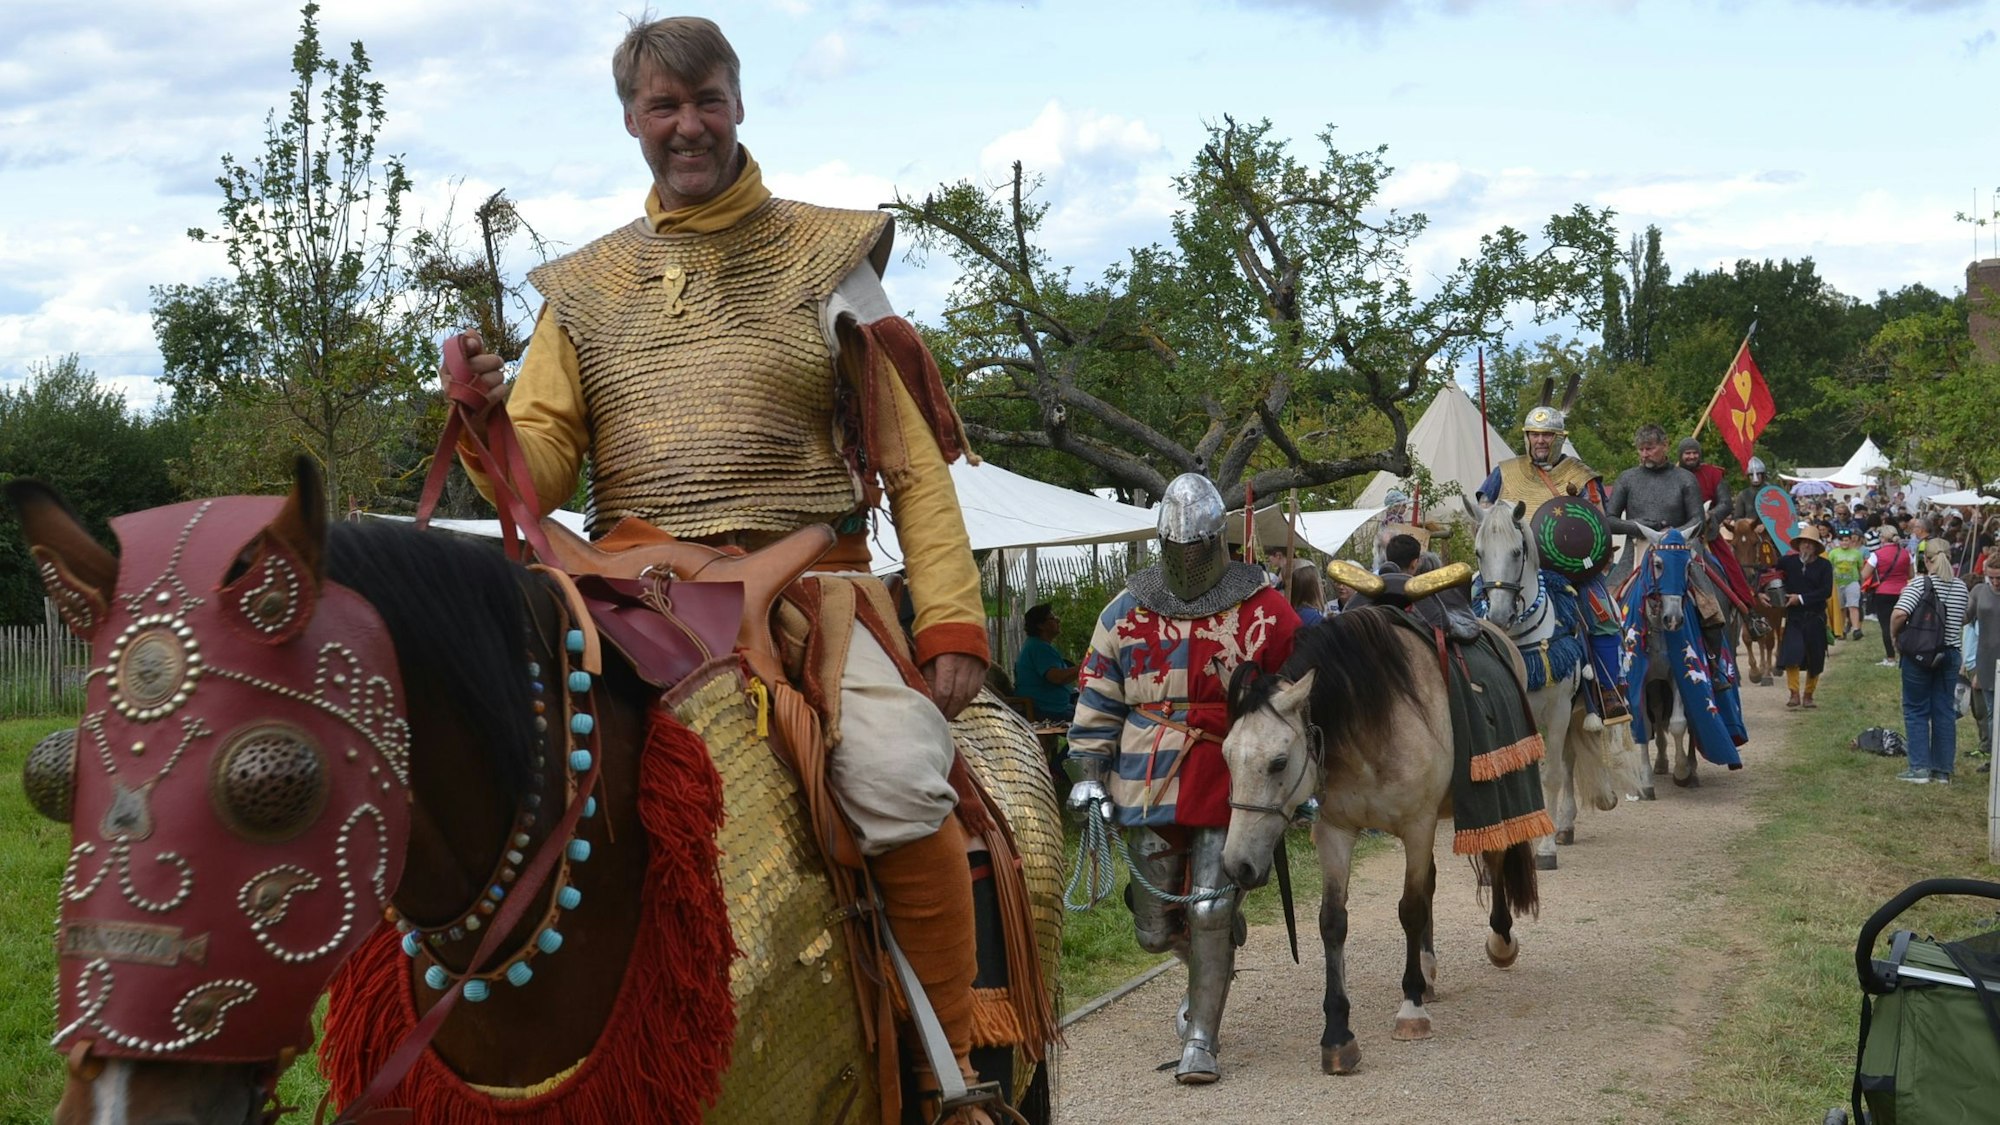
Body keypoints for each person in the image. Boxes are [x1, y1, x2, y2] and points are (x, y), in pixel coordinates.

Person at [448, 18, 1005, 1118]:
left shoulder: (828, 256)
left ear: (738, 103)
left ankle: (944, 1067)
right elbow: (541, 472)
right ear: (631, 122)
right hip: (627, 596)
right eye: (662, 107)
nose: (686, 125)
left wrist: (947, 622)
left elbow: (913, 461)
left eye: (704, 99)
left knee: (898, 785)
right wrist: (480, 418)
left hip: (805, 591)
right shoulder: (585, 286)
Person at [1065, 473, 1299, 1084]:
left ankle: (1202, 1038)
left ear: (1219, 541)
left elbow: (1299, 705)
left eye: (1198, 548)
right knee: (1152, 929)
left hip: (1229, 776)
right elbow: (1097, 698)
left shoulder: (1264, 610)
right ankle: (1206, 960)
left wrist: (1297, 781)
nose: (1189, 561)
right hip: (1145, 776)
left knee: (1208, 911)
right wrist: (1090, 771)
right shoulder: (1124, 613)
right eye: (1179, 549)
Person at [1474, 388, 1629, 725]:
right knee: (1469, 603)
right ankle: (1470, 686)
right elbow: (1484, 510)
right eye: (1534, 434)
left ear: (1559, 438)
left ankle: (1606, 692)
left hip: (1569, 569)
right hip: (1510, 566)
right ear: (1527, 438)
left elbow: (1599, 522)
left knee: (1601, 612)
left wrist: (1580, 521)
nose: (1540, 441)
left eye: (1547, 434)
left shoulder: (1580, 473)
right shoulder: (1506, 471)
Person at [1891, 541, 1970, 783]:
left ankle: (1919, 768)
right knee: (1944, 710)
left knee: (1916, 709)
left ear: (1926, 559)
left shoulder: (1919, 583)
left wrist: (1895, 636)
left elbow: (1900, 613)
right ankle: (1942, 770)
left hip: (1920, 653)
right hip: (1950, 653)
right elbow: (1963, 618)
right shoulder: (1961, 587)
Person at [1678, 437, 1756, 608]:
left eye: (1694, 453)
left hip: (1707, 534)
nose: (1691, 457)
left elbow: (1726, 503)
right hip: (1678, 532)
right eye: (1687, 453)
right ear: (1680, 455)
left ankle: (1747, 610)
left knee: (1731, 567)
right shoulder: (1672, 476)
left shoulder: (1713, 474)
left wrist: (1710, 515)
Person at [1776, 525, 1834, 708]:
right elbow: (1768, 573)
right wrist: (1763, 591)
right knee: (1791, 654)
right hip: (1794, 617)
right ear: (1799, 545)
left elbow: (1826, 591)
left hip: (1815, 616)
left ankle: (1808, 695)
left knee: (1815, 658)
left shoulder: (1824, 566)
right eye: (1804, 543)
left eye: (1811, 544)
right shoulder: (1787, 562)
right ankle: (1794, 693)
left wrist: (1800, 599)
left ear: (1816, 547)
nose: (1807, 546)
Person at [1013, 603, 1077, 723]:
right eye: (1052, 618)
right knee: (1094, 721)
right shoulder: (1038, 647)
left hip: (1053, 706)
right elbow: (1057, 677)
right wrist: (1085, 666)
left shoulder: (1037, 645)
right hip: (1045, 709)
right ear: (1041, 625)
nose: (1058, 620)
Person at [1862, 527, 1914, 666]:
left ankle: (1890, 657)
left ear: (1882, 538)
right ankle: (1904, 655)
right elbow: (1911, 575)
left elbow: (1865, 574)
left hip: (1883, 592)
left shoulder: (1877, 554)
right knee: (1903, 624)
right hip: (1903, 592)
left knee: (1886, 626)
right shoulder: (1906, 554)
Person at [1967, 548, 2000, 761]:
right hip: (1986, 660)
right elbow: (1964, 616)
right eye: (1992, 577)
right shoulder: (1979, 591)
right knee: (1990, 713)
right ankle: (1993, 757)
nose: (1996, 582)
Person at [1827, 527, 1866, 640]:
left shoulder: (1856, 553)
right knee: (1841, 607)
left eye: (1846, 540)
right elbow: (1830, 568)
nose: (1844, 542)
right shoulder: (1833, 553)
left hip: (1852, 582)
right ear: (1838, 541)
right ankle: (1842, 629)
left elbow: (1860, 569)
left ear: (1850, 540)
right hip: (1837, 583)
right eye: (1842, 540)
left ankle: (1856, 629)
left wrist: (1862, 584)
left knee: (1853, 606)